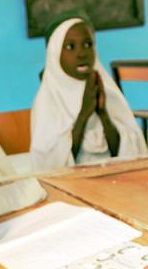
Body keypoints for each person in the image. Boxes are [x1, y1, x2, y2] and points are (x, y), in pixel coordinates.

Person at [30, 12, 147, 171]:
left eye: (88, 44)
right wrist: (84, 114)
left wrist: (103, 114)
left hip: (115, 178)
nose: (82, 53)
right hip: (73, 184)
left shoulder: (106, 90)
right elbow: (50, 167)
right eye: (70, 47)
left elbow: (129, 154)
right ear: (55, 53)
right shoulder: (48, 101)